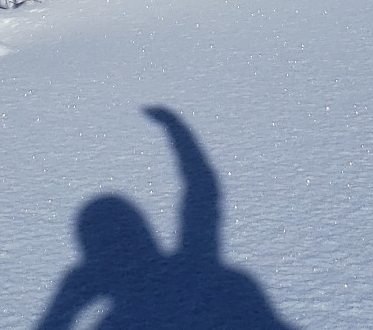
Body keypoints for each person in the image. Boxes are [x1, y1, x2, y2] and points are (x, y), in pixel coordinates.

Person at [34, 107, 295, 330]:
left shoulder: (115, 323)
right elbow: (202, 195)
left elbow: (201, 196)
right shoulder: (202, 275)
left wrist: (65, 304)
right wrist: (175, 127)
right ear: (144, 234)